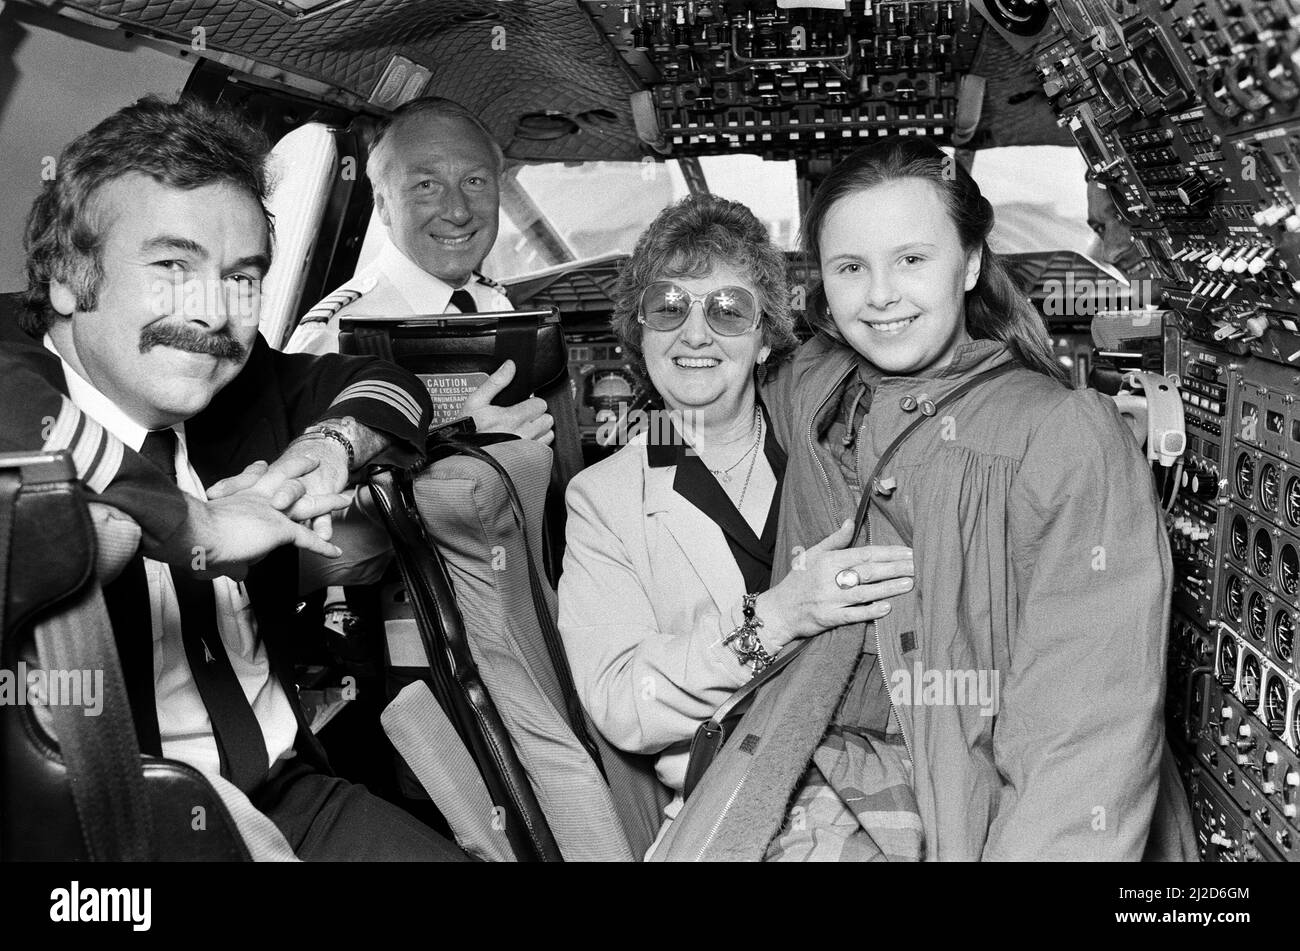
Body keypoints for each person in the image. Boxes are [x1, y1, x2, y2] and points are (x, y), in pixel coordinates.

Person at [650, 137, 1196, 861]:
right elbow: (715, 371)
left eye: (912, 259)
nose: (879, 295)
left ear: (969, 262)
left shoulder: (1065, 436)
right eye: (851, 268)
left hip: (971, 811)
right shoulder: (815, 381)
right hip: (808, 753)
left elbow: (1082, 736)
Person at [6, 95, 471, 861]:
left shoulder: (243, 387)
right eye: (171, 266)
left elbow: (390, 386)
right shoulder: (19, 393)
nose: (213, 312)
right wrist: (197, 526)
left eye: (243, 278)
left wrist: (328, 447)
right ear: (65, 277)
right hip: (112, 833)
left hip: (293, 794)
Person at [557, 194, 917, 855]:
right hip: (742, 794)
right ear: (639, 332)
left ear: (764, 339)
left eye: (727, 310)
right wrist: (780, 616)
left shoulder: (834, 448)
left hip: (896, 758)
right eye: (670, 307)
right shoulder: (602, 500)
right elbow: (620, 700)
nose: (696, 333)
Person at [285, 96, 551, 443]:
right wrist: (461, 442)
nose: (458, 212)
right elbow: (311, 487)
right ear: (382, 205)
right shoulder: (334, 338)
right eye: (426, 186)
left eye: (474, 181)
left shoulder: (493, 303)